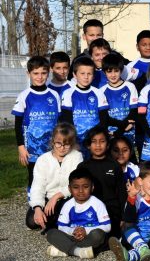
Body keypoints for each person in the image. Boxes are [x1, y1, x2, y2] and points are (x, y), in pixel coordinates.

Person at [108, 163, 150, 261]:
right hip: (135, 239)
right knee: (126, 226)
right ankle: (142, 247)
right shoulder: (137, 199)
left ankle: (127, 256)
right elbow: (128, 217)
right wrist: (132, 197)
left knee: (149, 248)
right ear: (140, 181)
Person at [14, 56, 62, 194]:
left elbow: (58, 123)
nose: (40, 77)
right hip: (32, 149)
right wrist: (21, 148)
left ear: (48, 73)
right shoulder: (24, 96)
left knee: (52, 176)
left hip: (52, 147)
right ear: (28, 74)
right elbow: (18, 125)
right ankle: (34, 207)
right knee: (34, 177)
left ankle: (50, 204)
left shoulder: (54, 95)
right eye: (35, 73)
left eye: (43, 73)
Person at [27, 123, 83, 230]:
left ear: (72, 143)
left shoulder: (77, 156)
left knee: (61, 218)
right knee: (32, 222)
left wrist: (57, 196)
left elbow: (76, 183)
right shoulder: (43, 159)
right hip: (47, 199)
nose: (62, 148)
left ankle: (59, 223)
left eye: (66, 144)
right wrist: (38, 208)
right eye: (59, 143)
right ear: (53, 141)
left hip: (68, 197)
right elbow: (38, 186)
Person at [45, 168, 111, 258]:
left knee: (98, 235)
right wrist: (73, 231)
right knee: (51, 233)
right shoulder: (68, 205)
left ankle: (65, 249)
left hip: (89, 237)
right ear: (70, 189)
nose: (80, 191)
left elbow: (107, 226)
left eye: (85, 187)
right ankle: (78, 251)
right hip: (72, 236)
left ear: (92, 187)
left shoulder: (97, 204)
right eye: (76, 187)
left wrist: (85, 231)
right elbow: (61, 227)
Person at [77, 126, 126, 235]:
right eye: (94, 142)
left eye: (102, 141)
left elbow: (122, 192)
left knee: (111, 232)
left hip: (111, 210)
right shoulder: (83, 167)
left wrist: (123, 217)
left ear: (108, 145)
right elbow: (77, 193)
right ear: (88, 145)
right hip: (90, 210)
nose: (98, 145)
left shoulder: (115, 166)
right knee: (84, 232)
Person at [60, 57, 109, 157]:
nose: (86, 77)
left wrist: (97, 141)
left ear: (93, 75)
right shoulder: (68, 93)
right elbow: (67, 121)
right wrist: (73, 141)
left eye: (89, 74)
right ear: (74, 75)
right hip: (76, 142)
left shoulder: (98, 93)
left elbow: (104, 120)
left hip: (94, 143)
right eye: (82, 73)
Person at [100, 53, 138, 144]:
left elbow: (134, 110)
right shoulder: (101, 91)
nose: (113, 75)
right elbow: (104, 115)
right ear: (104, 72)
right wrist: (114, 131)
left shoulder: (130, 86)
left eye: (116, 71)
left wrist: (126, 126)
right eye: (109, 71)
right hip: (111, 132)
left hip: (128, 131)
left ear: (121, 71)